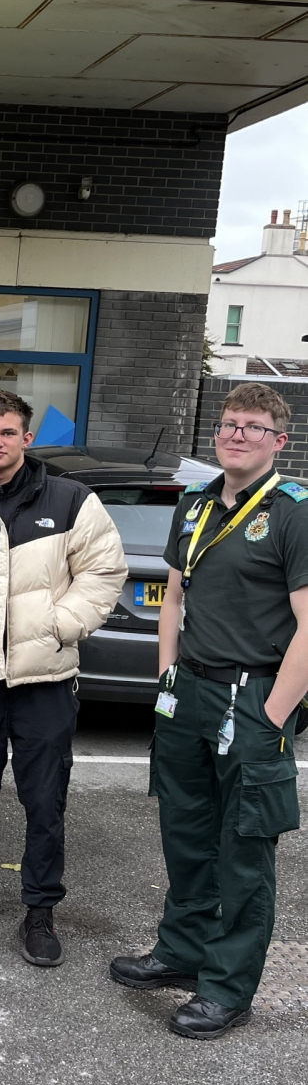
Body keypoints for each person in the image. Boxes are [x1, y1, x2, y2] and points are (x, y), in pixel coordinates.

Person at [111, 382, 308, 1039]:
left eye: (253, 426)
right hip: (189, 692)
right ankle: (183, 952)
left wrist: (274, 715)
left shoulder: (292, 512)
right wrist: (167, 671)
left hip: (253, 696)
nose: (237, 434)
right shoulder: (194, 505)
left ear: (279, 441)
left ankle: (228, 987)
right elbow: (173, 597)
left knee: (244, 852)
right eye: (228, 424)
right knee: (187, 835)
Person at [0, 390, 126, 967]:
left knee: (45, 801)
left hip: (45, 679)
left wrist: (60, 628)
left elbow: (104, 571)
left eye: (7, 433)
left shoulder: (71, 500)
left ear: (27, 438)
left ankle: (40, 910)